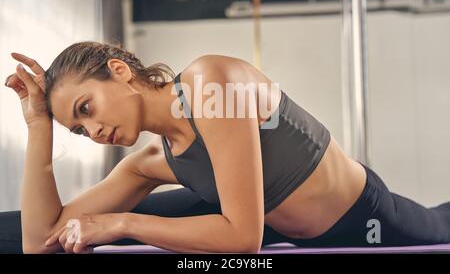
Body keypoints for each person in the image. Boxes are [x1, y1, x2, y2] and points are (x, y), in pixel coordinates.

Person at [1, 41, 449, 254]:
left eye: (86, 108)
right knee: (55, 229)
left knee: (441, 223)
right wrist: (40, 124)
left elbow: (242, 239)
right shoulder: (152, 162)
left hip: (362, 216)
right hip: (275, 223)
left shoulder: (208, 81)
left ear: (119, 71)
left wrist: (123, 223)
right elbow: (41, 241)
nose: (93, 131)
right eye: (78, 129)